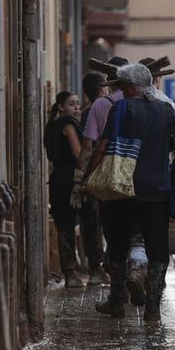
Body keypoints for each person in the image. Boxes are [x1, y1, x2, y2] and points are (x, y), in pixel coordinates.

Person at [84, 63, 175, 321]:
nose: (120, 89)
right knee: (157, 250)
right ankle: (153, 309)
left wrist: (89, 177)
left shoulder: (121, 107)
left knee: (118, 246)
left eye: (122, 85)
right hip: (157, 191)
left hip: (121, 190)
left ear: (132, 87)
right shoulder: (167, 110)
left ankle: (116, 303)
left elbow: (102, 147)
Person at [75, 56, 149, 309]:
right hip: (141, 179)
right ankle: (137, 277)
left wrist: (82, 179)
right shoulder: (147, 103)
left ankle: (117, 300)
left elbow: (89, 147)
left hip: (109, 181)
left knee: (115, 237)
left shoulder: (100, 105)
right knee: (138, 234)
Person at [43, 90, 85, 287]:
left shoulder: (51, 125)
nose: (76, 107)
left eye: (77, 103)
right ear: (61, 107)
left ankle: (70, 273)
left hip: (57, 177)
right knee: (69, 226)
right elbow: (78, 153)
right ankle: (71, 273)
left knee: (63, 226)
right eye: (71, 104)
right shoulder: (67, 124)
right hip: (69, 178)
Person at [71, 71, 108, 285]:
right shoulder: (109, 108)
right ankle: (103, 266)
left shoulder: (84, 115)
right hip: (107, 173)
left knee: (91, 222)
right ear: (102, 88)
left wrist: (80, 178)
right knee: (107, 222)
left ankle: (95, 267)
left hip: (91, 174)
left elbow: (85, 150)